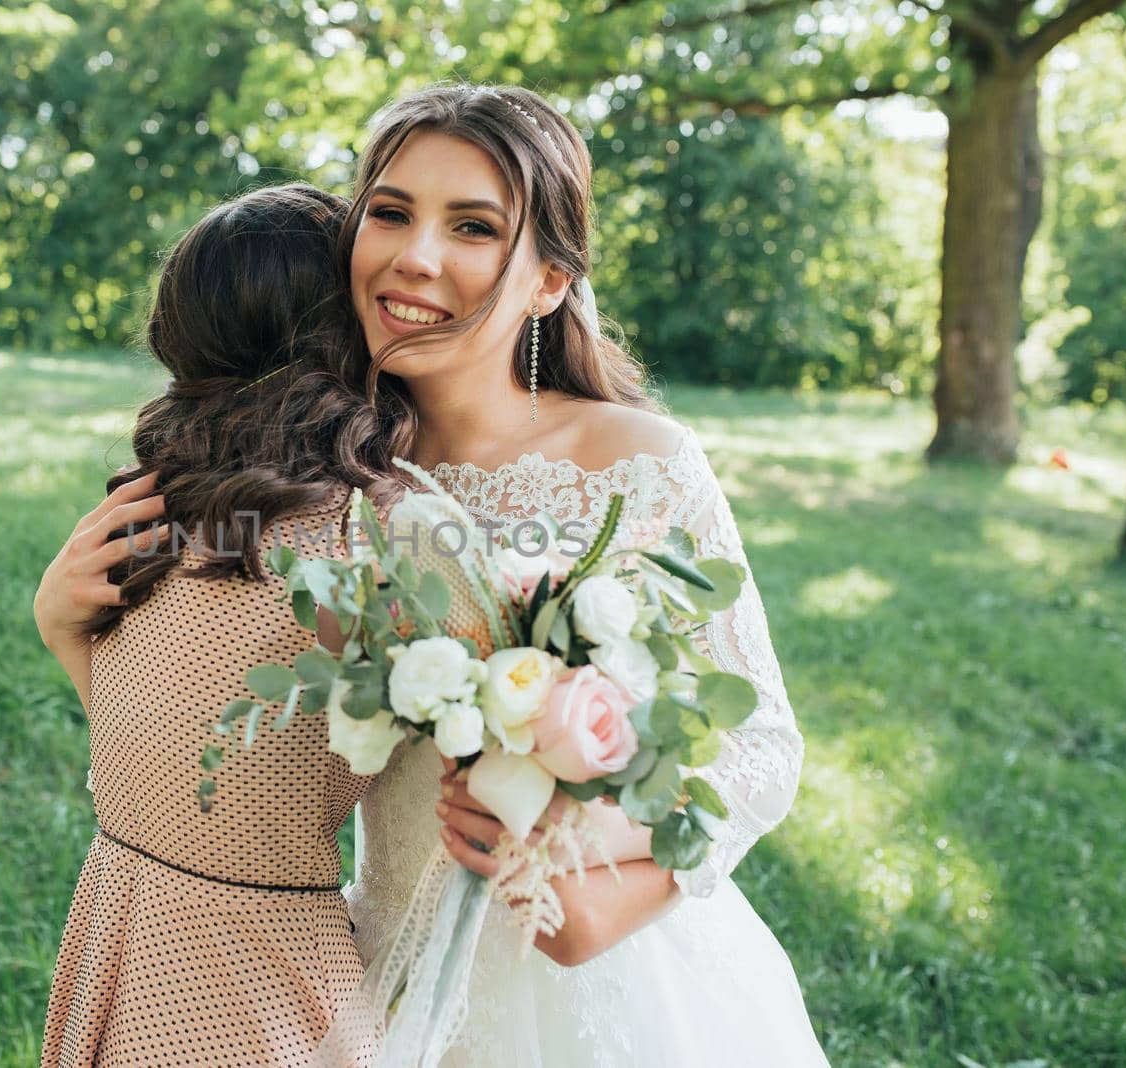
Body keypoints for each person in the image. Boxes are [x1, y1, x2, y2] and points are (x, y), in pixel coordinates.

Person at [335, 82, 828, 1066]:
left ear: (550, 279)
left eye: (472, 227)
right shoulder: (328, 473)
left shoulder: (637, 461)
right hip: (379, 968)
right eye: (389, 212)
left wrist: (599, 868)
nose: (414, 256)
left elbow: (763, 747)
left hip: (610, 978)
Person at [31, 183, 406, 1068]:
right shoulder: (354, 529)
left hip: (152, 933)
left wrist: (63, 631)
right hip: (252, 966)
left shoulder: (174, 506)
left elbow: (189, 749)